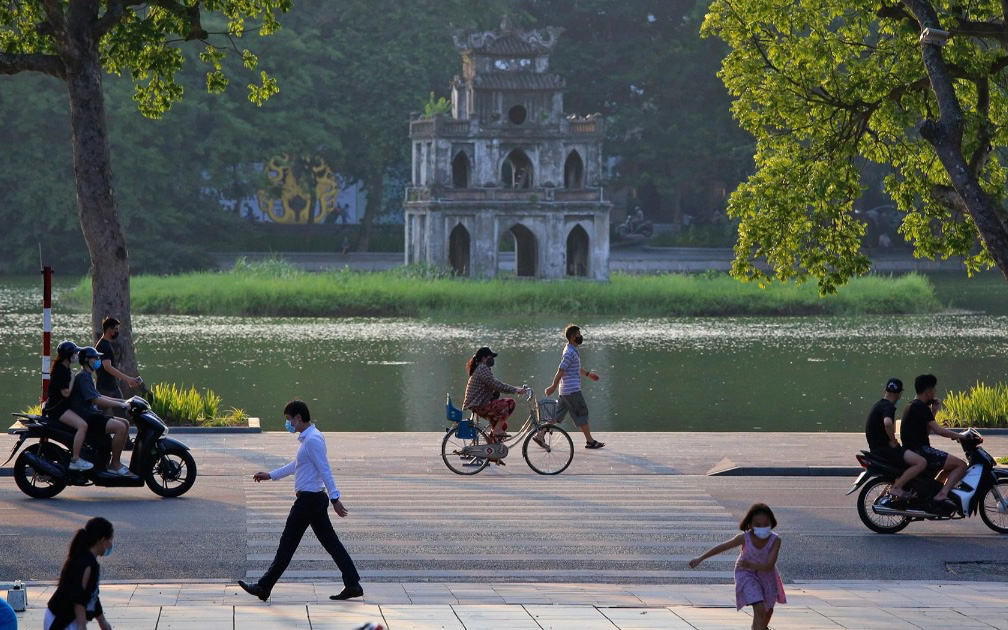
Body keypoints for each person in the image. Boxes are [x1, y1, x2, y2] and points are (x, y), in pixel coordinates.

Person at [239, 400, 363, 602]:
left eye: (289, 420)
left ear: (298, 418)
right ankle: (353, 584)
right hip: (313, 501)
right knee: (331, 544)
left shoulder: (313, 440)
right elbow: (296, 465)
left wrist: (335, 498)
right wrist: (270, 475)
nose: (288, 424)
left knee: (287, 544)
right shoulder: (310, 439)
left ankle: (263, 587)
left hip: (308, 502)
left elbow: (325, 469)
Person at [688, 503, 786, 630]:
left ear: (772, 523)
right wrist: (701, 558)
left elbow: (769, 565)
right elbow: (723, 546)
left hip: (766, 576)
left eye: (766, 524)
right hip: (746, 574)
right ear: (749, 525)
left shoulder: (775, 540)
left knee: (767, 612)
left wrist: (752, 564)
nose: (762, 528)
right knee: (759, 608)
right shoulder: (745, 538)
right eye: (758, 525)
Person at [901, 374, 967, 507]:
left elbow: (925, 432)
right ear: (928, 391)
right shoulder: (920, 407)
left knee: (950, 466)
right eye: (934, 389)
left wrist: (934, 412)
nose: (935, 392)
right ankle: (942, 495)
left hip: (915, 449)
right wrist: (961, 436)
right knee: (961, 465)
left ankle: (933, 491)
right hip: (921, 451)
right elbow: (939, 430)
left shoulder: (913, 405)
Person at [68, 347, 134, 477]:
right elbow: (96, 400)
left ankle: (114, 462)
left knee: (125, 423)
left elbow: (100, 396)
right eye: (95, 358)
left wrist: (125, 400)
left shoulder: (87, 376)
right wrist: (121, 404)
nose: (98, 360)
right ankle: (114, 464)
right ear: (87, 360)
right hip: (88, 417)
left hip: (92, 415)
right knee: (120, 427)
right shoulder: (83, 377)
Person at [44, 516, 115, 630]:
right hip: (62, 619)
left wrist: (102, 621)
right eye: (111, 539)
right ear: (102, 540)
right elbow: (78, 597)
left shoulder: (86, 560)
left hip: (64, 617)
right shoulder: (87, 564)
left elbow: (92, 594)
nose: (111, 544)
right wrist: (81, 625)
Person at [864, 378, 926, 499]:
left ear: (884, 391)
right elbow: (887, 423)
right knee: (921, 462)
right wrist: (893, 440)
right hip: (886, 450)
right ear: (900, 394)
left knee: (904, 466)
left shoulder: (878, 405)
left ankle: (894, 489)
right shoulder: (889, 407)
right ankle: (897, 489)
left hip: (876, 449)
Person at [545, 324, 604, 449]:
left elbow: (575, 368)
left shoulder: (570, 350)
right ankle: (590, 441)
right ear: (572, 337)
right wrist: (552, 387)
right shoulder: (570, 353)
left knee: (557, 416)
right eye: (578, 334)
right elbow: (560, 370)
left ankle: (539, 435)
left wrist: (588, 374)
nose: (580, 336)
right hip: (572, 391)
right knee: (582, 413)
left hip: (565, 391)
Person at [43, 340, 93, 471]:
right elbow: (66, 393)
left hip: (62, 407)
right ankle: (75, 459)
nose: (76, 356)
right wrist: (72, 378)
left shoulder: (64, 367)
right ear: (68, 356)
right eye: (74, 353)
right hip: (57, 409)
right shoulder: (62, 371)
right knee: (82, 426)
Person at [462, 347, 529, 439]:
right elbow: (496, 385)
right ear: (484, 358)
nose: (492, 359)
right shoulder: (482, 369)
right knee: (510, 403)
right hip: (479, 405)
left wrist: (515, 389)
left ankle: (492, 447)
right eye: (490, 357)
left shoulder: (482, 368)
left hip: (480, 404)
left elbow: (494, 386)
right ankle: (496, 431)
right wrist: (516, 390)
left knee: (503, 425)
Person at [94, 317, 141, 403]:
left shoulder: (107, 344)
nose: (117, 332)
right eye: (116, 329)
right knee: (103, 413)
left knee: (122, 409)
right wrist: (128, 379)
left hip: (113, 386)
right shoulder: (103, 346)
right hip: (105, 388)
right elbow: (107, 367)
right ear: (109, 330)